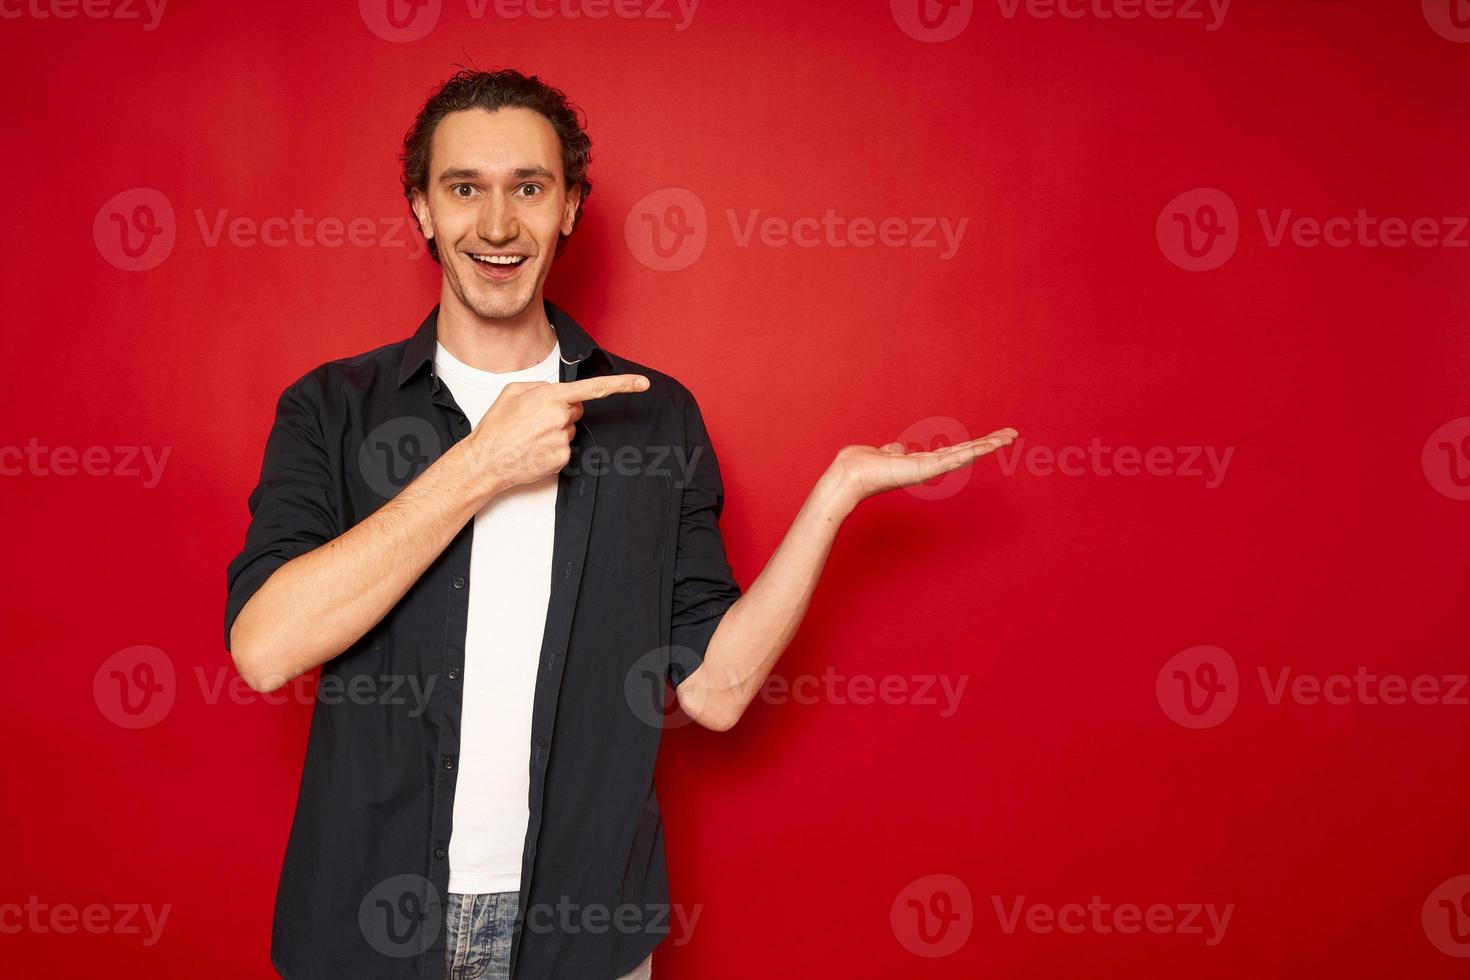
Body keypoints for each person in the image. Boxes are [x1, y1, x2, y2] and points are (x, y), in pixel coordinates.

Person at [224, 67, 1016, 980]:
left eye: (529, 187)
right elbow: (265, 648)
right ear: (421, 211)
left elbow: (715, 694)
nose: (495, 224)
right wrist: (485, 460)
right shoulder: (330, 408)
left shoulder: (655, 418)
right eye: (464, 189)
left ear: (568, 209)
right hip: (363, 923)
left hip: (582, 934)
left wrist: (833, 499)